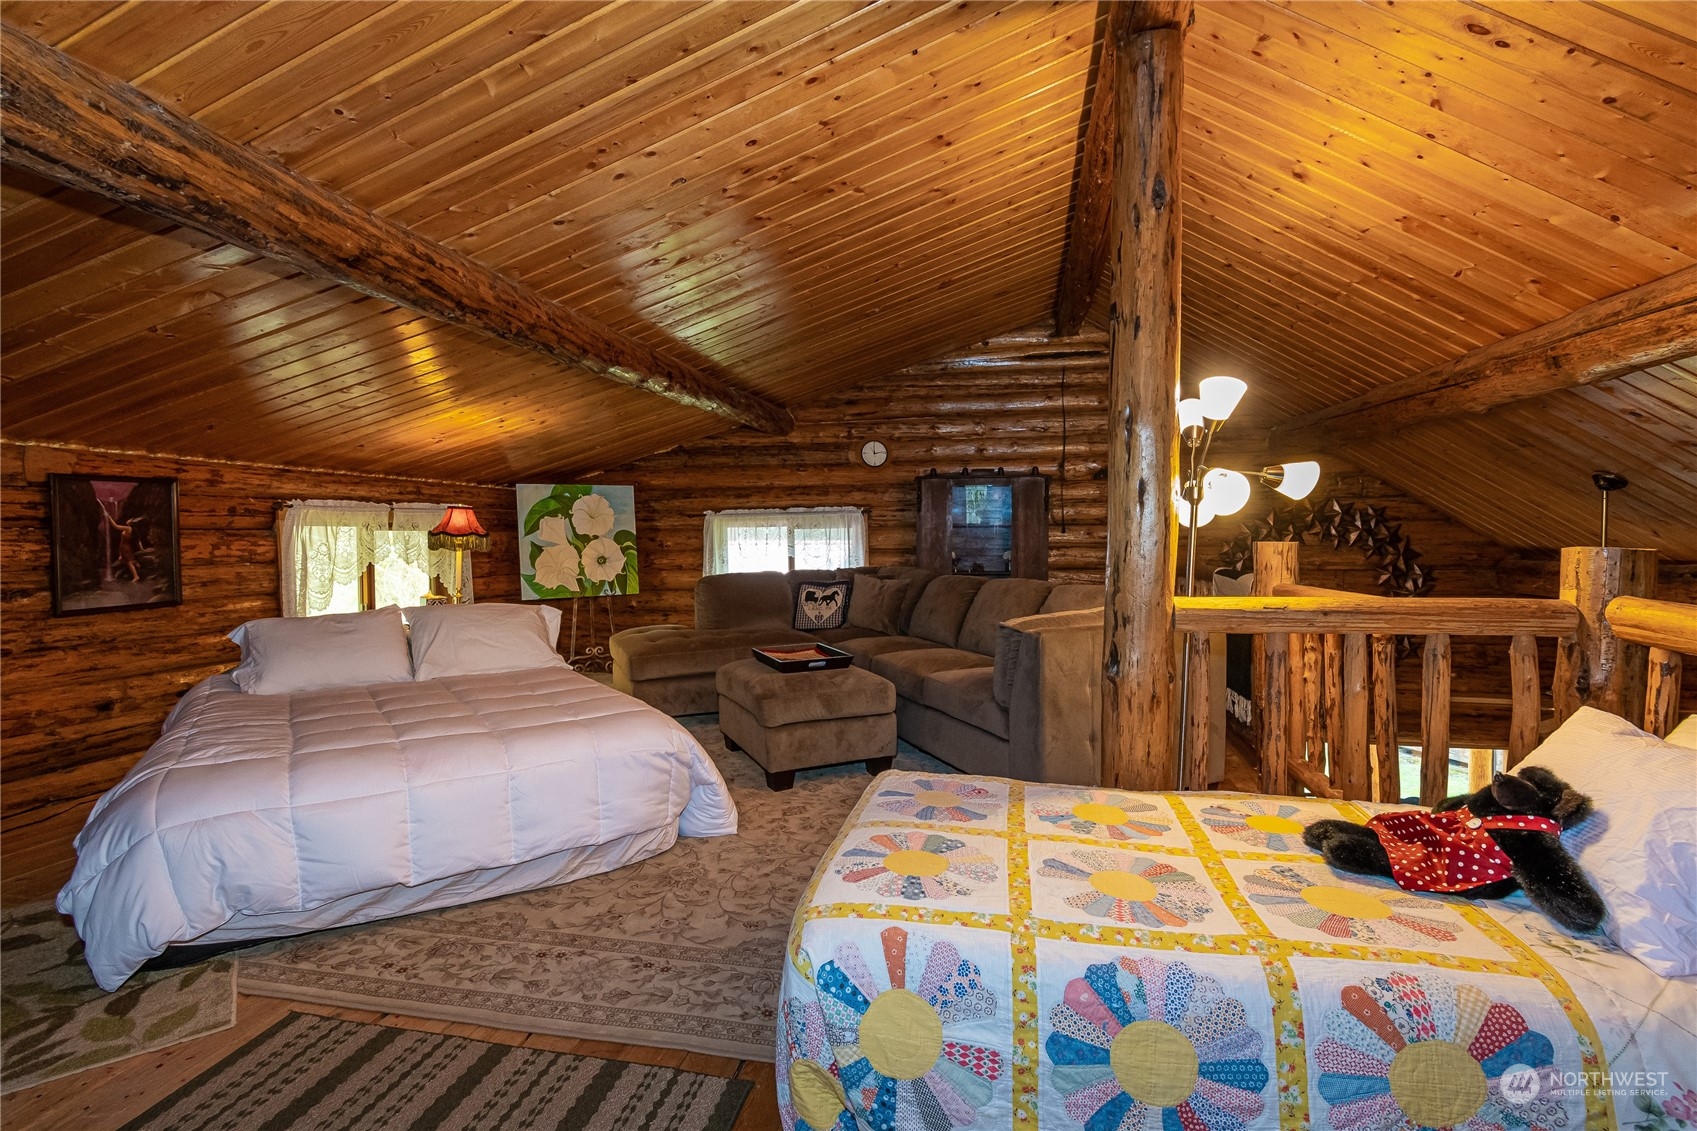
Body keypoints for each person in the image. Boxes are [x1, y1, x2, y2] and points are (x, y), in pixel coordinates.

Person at [99, 498, 141, 583]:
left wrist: (108, 517)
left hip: (126, 548)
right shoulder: (129, 529)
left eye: (130, 519)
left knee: (128, 562)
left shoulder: (128, 528)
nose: (128, 520)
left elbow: (116, 526)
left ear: (131, 523)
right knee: (125, 560)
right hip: (123, 547)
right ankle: (135, 562)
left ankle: (136, 576)